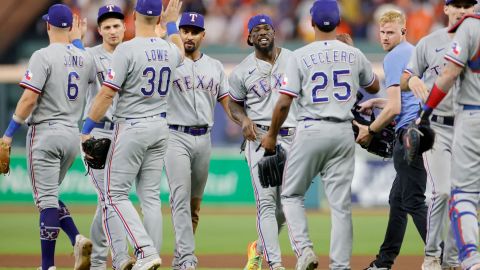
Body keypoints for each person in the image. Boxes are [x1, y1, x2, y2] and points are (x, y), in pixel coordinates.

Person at [260, 0, 380, 268]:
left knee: (290, 195)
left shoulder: (299, 56)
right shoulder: (353, 53)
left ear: (311, 22)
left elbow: (283, 103)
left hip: (312, 128)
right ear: (339, 23)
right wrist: (352, 53)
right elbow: (374, 86)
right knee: (340, 206)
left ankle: (304, 251)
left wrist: (270, 134)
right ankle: (340, 266)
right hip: (342, 132)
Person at [80, 0, 184, 269]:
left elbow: (106, 93)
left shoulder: (126, 50)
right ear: (158, 17)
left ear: (134, 16)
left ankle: (145, 252)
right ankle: (150, 255)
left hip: (131, 126)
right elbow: (181, 51)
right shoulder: (169, 48)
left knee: (114, 195)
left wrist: (86, 129)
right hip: (160, 127)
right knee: (149, 197)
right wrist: (172, 23)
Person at [0, 4, 95, 270]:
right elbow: (79, 65)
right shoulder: (85, 57)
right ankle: (76, 237)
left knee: (45, 202)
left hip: (44, 132)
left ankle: (47, 266)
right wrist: (77, 41)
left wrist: (8, 134)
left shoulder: (41, 55)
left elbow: (29, 97)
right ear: (70, 29)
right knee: (50, 197)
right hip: (70, 135)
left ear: (48, 25)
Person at [400, 1, 476, 269]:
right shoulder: (429, 42)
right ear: (445, 9)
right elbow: (406, 75)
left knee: (461, 196)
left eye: (468, 5)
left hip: (467, 127)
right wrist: (413, 80)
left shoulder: (476, 39)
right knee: (441, 192)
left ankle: (452, 260)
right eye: (456, 5)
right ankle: (432, 255)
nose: (462, 10)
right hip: (436, 128)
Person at [354, 10, 428, 270]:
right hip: (421, 130)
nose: (385, 37)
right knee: (399, 200)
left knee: (413, 200)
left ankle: (441, 257)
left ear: (403, 31)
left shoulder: (395, 57)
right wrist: (378, 101)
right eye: (382, 32)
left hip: (408, 135)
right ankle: (383, 263)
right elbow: (409, 101)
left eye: (390, 32)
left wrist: (370, 130)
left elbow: (395, 109)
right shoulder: (414, 51)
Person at [164, 11, 234, 270]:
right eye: (184, 30)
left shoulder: (214, 66)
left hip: (203, 139)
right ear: (178, 33)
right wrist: (169, 25)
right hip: (175, 136)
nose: (189, 35)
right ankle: (188, 260)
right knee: (179, 199)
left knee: (194, 207)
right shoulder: (171, 60)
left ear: (203, 35)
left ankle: (180, 258)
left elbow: (227, 104)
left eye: (194, 31)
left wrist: (245, 123)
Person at [228, 13, 297, 270]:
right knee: (266, 203)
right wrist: (243, 119)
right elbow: (234, 103)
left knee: (287, 206)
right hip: (258, 137)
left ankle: (258, 247)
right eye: (256, 30)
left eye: (266, 27)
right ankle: (275, 264)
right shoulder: (241, 70)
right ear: (249, 37)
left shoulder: (293, 60)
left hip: (293, 137)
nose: (262, 32)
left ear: (275, 32)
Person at [80, 5, 136, 270]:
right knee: (109, 199)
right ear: (99, 30)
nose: (112, 31)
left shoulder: (134, 54)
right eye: (107, 27)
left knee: (108, 202)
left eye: (116, 25)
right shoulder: (90, 57)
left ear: (124, 27)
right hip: (98, 133)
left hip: (126, 134)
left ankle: (94, 259)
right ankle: (120, 256)